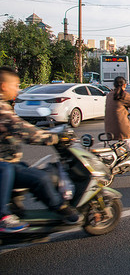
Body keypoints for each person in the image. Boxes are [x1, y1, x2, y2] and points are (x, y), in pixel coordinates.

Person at [0, 66, 80, 232]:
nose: (17, 90)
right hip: (4, 163)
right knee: (40, 178)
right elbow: (21, 129)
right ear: (3, 86)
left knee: (23, 168)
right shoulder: (2, 108)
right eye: (15, 86)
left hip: (7, 159)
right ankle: (59, 208)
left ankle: (16, 207)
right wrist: (52, 137)